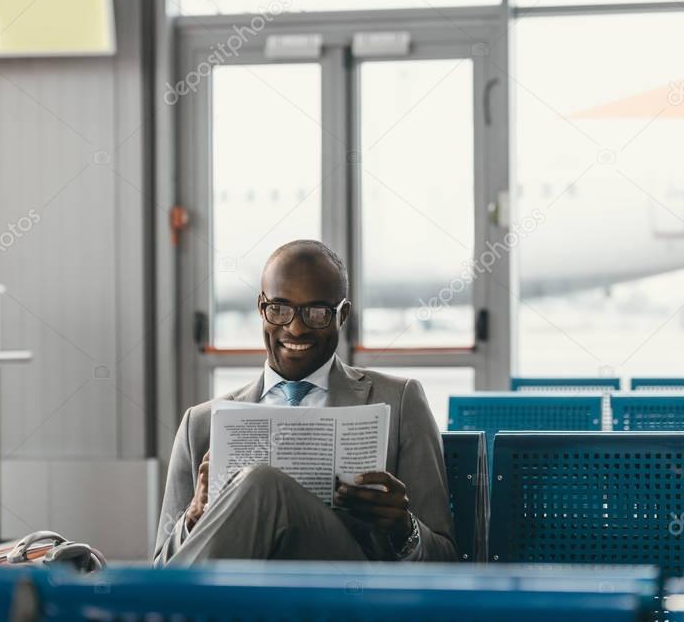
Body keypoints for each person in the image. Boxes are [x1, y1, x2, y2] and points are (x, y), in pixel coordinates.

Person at [154, 240, 457, 564]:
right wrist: (194, 517)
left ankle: (175, 615)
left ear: (342, 315)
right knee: (259, 485)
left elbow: (446, 560)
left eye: (316, 313)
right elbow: (161, 564)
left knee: (261, 484)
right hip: (244, 604)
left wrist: (402, 527)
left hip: (349, 595)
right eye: (280, 309)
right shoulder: (199, 424)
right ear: (261, 308)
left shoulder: (399, 402)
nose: (295, 328)